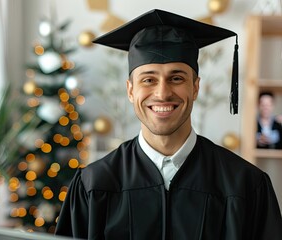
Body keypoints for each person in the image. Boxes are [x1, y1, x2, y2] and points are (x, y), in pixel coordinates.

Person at [55, 9, 282, 239]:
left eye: (176, 78)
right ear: (130, 90)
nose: (162, 93)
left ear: (195, 87)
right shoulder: (93, 185)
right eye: (148, 79)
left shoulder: (246, 185)